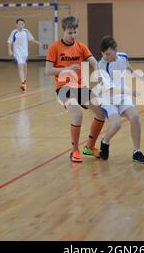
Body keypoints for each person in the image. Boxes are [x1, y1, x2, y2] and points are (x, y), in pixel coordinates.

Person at [45, 16, 105, 163]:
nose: (73, 36)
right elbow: (48, 71)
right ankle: (75, 151)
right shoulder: (55, 47)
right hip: (63, 88)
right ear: (63, 31)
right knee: (77, 115)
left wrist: (98, 72)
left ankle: (89, 147)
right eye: (70, 33)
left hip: (79, 87)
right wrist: (67, 69)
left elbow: (93, 62)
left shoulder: (81, 46)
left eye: (75, 32)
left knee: (101, 112)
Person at [96, 36, 144, 163]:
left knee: (135, 117)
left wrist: (136, 74)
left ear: (115, 50)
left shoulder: (123, 56)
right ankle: (104, 142)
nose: (105, 57)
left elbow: (126, 65)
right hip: (108, 98)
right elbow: (111, 90)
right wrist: (132, 92)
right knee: (116, 124)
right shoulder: (101, 65)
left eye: (108, 54)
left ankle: (136, 151)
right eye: (103, 54)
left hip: (123, 96)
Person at [7, 18, 42, 91]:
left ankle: (24, 81)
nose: (20, 25)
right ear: (16, 25)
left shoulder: (26, 31)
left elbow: (31, 39)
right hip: (17, 52)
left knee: (25, 66)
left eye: (22, 24)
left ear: (24, 25)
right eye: (19, 24)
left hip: (25, 53)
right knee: (20, 66)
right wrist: (10, 50)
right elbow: (9, 42)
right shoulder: (14, 32)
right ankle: (22, 83)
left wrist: (38, 43)